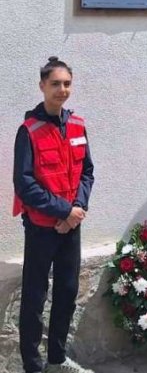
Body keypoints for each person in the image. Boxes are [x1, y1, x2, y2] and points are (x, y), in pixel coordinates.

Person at [13, 57, 94, 373]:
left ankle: (57, 359)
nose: (62, 89)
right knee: (35, 297)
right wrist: (64, 210)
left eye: (67, 83)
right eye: (55, 83)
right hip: (41, 227)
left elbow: (87, 172)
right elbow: (25, 184)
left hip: (71, 226)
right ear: (42, 86)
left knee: (67, 292)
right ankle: (33, 366)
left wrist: (76, 210)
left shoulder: (78, 125)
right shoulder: (29, 131)